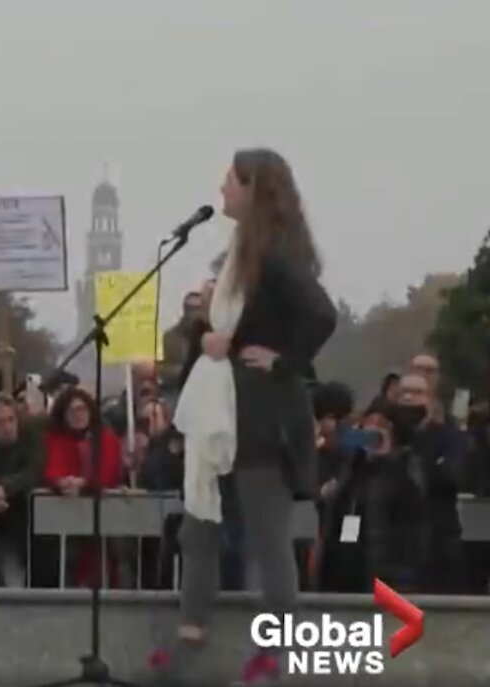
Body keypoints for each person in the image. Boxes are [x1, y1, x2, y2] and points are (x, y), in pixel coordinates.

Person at [150, 149, 336, 685]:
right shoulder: (239, 255)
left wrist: (283, 359)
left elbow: (320, 314)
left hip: (259, 418)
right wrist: (206, 335)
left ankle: (275, 650)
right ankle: (190, 630)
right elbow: (227, 336)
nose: (222, 190)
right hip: (221, 412)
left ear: (253, 189)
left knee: (266, 535)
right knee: (199, 527)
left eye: (230, 181)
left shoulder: (277, 255)